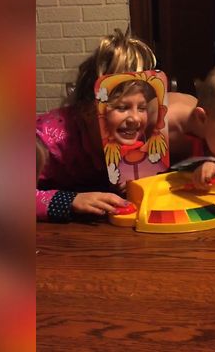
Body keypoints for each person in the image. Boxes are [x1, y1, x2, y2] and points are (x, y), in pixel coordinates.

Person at [36, 29, 156, 222]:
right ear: (87, 110)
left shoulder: (129, 136)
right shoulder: (47, 142)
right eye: (122, 107)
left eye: (141, 107)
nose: (135, 118)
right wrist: (70, 201)